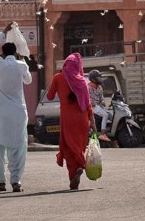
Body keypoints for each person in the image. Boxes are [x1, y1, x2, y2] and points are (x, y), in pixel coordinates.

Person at [0, 23, 32, 192]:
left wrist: (3, 32)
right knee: (18, 147)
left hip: (1, 113)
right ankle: (16, 181)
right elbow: (28, 80)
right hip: (18, 112)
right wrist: (22, 59)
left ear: (2, 53)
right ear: (16, 52)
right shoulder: (21, 66)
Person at [46, 53, 94, 190]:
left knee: (68, 148)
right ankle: (78, 170)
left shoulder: (58, 78)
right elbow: (88, 104)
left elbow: (49, 97)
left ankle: (77, 169)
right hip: (82, 119)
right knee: (79, 147)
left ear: (65, 65)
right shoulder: (82, 81)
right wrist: (93, 122)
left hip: (67, 119)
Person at [87, 69, 110, 136]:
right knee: (105, 115)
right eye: (98, 78)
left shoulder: (100, 88)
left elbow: (101, 98)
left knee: (110, 115)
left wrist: (102, 102)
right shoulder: (88, 87)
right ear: (93, 79)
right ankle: (103, 133)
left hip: (98, 106)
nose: (100, 79)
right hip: (92, 107)